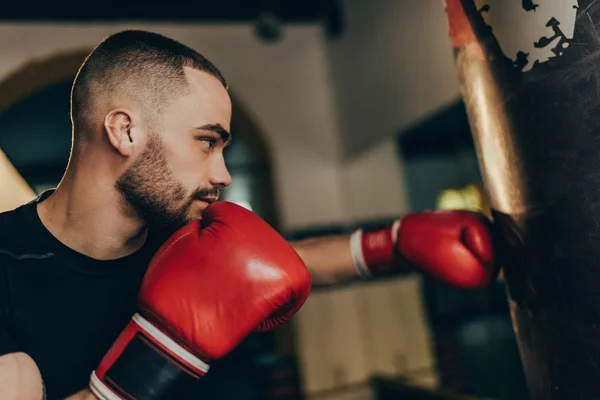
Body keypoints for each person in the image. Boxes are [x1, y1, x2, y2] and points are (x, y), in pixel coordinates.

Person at [0, 30, 499, 400]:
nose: (222, 174)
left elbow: (272, 264)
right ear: (124, 131)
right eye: (206, 141)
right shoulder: (7, 269)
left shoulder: (179, 237)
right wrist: (157, 354)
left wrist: (392, 245)